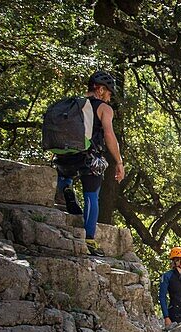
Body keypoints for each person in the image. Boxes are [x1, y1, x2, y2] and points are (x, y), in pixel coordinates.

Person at [54, 70, 126, 255]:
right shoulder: (103, 108)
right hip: (89, 157)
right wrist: (118, 161)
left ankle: (67, 188)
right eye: (109, 93)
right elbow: (109, 135)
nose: (109, 98)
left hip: (65, 154)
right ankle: (90, 239)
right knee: (92, 196)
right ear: (101, 90)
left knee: (66, 176)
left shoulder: (72, 103)